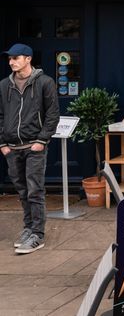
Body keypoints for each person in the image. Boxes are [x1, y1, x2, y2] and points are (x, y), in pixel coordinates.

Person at [0, 43, 59, 254]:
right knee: (22, 190)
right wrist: (2, 144)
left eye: (16, 58)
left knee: (35, 190)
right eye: (9, 59)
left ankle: (38, 235)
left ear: (28, 59)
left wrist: (41, 140)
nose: (11, 62)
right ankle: (28, 228)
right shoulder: (4, 85)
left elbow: (53, 115)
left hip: (34, 146)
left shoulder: (45, 83)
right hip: (12, 148)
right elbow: (0, 115)